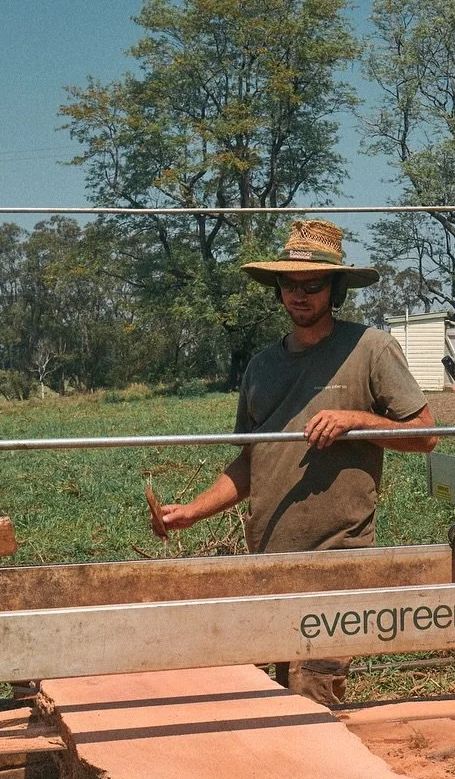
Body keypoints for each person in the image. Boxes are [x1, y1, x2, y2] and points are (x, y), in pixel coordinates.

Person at [149, 219, 438, 704]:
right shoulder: (261, 367)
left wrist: (357, 421)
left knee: (311, 691)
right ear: (277, 289)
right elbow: (251, 462)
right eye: (289, 285)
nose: (299, 296)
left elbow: (426, 436)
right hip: (270, 561)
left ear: (336, 288)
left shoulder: (371, 350)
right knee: (270, 698)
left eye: (313, 285)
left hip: (337, 558)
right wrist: (191, 512)